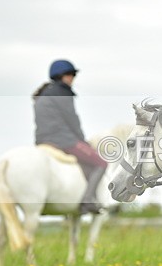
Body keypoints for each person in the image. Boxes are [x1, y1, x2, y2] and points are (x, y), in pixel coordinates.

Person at [32, 59, 107, 214]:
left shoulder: (42, 95)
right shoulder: (63, 93)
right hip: (63, 141)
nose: (72, 78)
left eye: (73, 74)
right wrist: (83, 141)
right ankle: (87, 200)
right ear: (61, 76)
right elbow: (72, 120)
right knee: (101, 163)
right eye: (70, 74)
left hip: (42, 141)